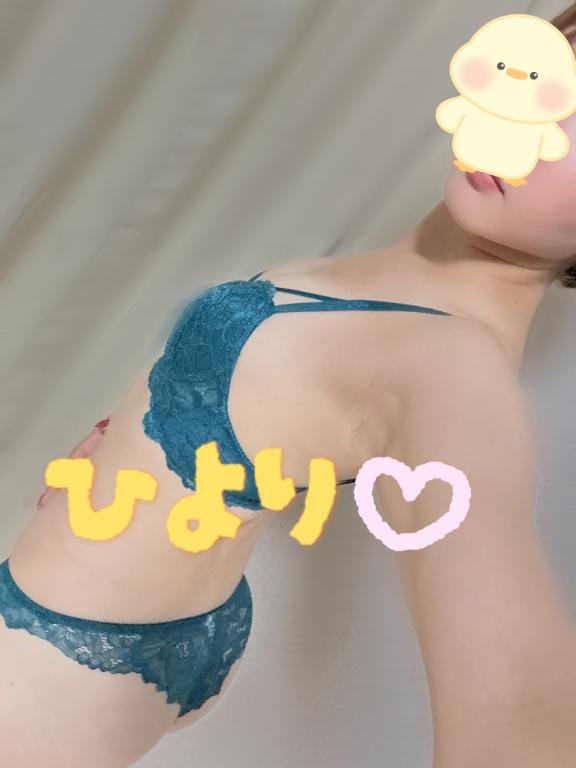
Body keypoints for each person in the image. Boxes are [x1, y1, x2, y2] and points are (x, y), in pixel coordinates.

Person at [3, 4, 576, 766]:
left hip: (55, 665)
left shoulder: (452, 366)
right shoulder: (417, 281)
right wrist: (142, 434)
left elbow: (516, 703)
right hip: (136, 627)